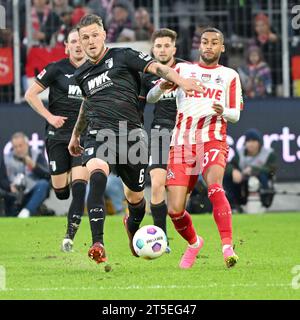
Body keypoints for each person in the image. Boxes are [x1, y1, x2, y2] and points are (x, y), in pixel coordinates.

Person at [68, 14, 204, 264]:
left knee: (136, 200)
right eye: (84, 37)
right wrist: (77, 134)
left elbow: (158, 68)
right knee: (96, 175)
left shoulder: (123, 55)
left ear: (104, 35)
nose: (89, 41)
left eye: (94, 35)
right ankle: (98, 243)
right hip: (100, 133)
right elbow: (86, 105)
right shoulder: (82, 74)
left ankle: (132, 226)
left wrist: (182, 81)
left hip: (131, 135)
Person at [147, 27, 243, 269]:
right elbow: (150, 97)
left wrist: (224, 112)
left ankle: (227, 247)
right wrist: (162, 87)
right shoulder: (182, 70)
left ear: (222, 48)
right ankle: (194, 243)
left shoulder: (230, 75)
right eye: (204, 42)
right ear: (199, 46)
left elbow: (235, 114)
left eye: (214, 42)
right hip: (181, 144)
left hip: (212, 139)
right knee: (175, 210)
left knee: (214, 187)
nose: (209, 46)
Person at [24, 29, 89, 252]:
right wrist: (50, 117)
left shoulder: (95, 70)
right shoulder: (56, 69)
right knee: (61, 191)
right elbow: (30, 94)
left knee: (80, 188)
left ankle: (69, 237)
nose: (78, 45)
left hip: (83, 137)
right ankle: (64, 183)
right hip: (57, 137)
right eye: (74, 42)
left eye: (81, 41)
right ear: (67, 47)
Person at [140, 28, 185, 253]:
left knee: (180, 193)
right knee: (157, 183)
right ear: (153, 49)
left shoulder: (187, 69)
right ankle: (162, 237)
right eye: (158, 46)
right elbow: (145, 100)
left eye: (167, 45)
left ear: (174, 49)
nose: (162, 49)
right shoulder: (148, 73)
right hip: (159, 131)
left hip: (185, 133)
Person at [224, 128, 277, 212]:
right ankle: (234, 204)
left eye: (254, 141)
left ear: (259, 143)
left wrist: (253, 169)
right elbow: (230, 165)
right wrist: (234, 171)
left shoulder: (268, 154)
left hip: (261, 182)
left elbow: (271, 169)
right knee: (228, 176)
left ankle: (264, 202)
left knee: (262, 177)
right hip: (243, 180)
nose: (251, 144)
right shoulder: (240, 153)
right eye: (248, 141)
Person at [0, 132, 50, 217]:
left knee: (43, 184)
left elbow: (47, 175)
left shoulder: (36, 154)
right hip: (14, 194)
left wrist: (33, 166)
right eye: (15, 147)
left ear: (27, 144)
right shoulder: (6, 159)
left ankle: (27, 211)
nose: (18, 149)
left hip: (32, 192)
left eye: (20, 145)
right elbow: (2, 179)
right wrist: (9, 186)